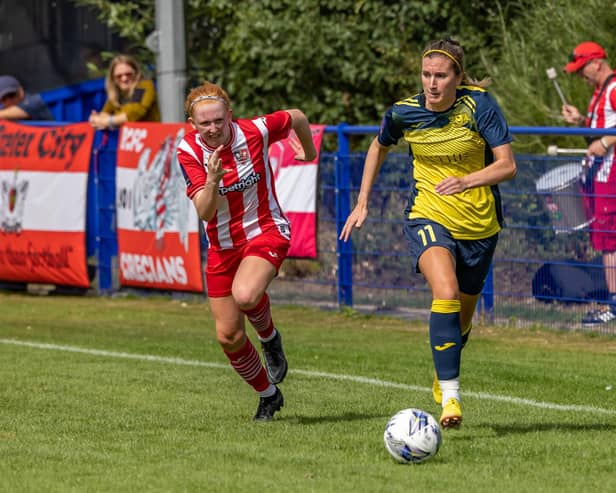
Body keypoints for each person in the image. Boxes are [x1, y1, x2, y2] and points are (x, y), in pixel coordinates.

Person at [340, 38, 516, 429]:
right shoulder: (404, 112)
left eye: (441, 76)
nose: (432, 83)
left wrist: (467, 180)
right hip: (428, 214)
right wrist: (363, 201)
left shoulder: (479, 106)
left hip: (480, 223)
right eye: (426, 75)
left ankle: (444, 368)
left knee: (462, 320)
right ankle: (451, 399)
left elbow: (507, 166)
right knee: (446, 291)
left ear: (457, 77)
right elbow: (378, 146)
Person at [176, 81, 317, 421]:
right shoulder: (188, 150)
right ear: (193, 124)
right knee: (228, 335)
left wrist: (309, 153)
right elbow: (205, 212)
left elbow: (296, 116)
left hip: (266, 230)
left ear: (230, 116)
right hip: (223, 247)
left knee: (245, 293)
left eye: (218, 121)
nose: (212, 129)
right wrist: (211, 181)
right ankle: (269, 395)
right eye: (204, 123)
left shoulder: (255, 130)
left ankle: (269, 337)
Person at [562, 41, 616, 325]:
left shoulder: (614, 89)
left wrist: (606, 141)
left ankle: (614, 306)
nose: (581, 75)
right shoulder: (600, 93)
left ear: (596, 62)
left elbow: (606, 136)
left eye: (582, 68)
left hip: (612, 175)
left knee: (610, 242)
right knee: (607, 240)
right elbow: (599, 130)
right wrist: (581, 120)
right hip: (602, 176)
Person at [88, 54, 160, 130]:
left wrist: (109, 121)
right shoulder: (115, 94)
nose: (124, 79)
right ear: (113, 79)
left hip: (151, 136)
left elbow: (135, 112)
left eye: (128, 74)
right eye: (119, 76)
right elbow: (105, 113)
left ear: (136, 73)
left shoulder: (144, 85)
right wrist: (96, 119)